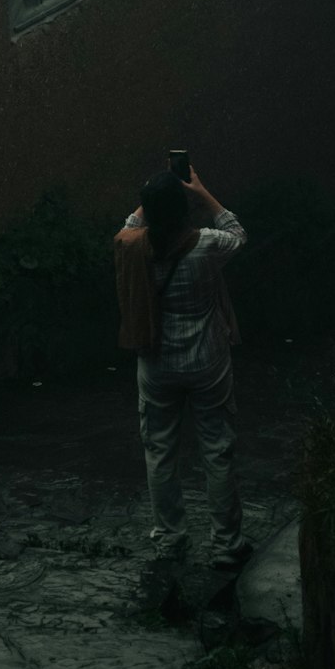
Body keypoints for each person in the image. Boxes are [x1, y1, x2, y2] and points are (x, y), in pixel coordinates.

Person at [114, 164, 250, 569]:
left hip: (156, 365)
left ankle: (170, 540)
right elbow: (239, 234)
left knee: (159, 452)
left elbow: (130, 222)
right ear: (182, 209)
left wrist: (152, 195)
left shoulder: (133, 245)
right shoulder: (206, 246)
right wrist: (201, 192)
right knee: (217, 451)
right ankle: (227, 545)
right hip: (207, 362)